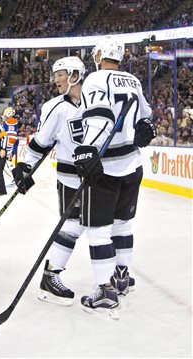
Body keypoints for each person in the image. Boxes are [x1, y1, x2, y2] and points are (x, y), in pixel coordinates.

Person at [72, 35, 155, 319]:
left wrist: (87, 149)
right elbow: (146, 118)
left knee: (99, 230)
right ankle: (122, 277)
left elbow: (100, 115)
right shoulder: (133, 80)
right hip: (132, 164)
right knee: (123, 225)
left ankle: (105, 291)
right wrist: (145, 127)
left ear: (99, 56)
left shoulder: (95, 80)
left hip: (104, 166)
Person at [12, 56, 86, 306]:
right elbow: (40, 142)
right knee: (72, 227)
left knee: (106, 226)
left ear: (75, 75)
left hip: (98, 176)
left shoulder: (95, 102)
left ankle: (113, 275)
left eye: (60, 74)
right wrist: (25, 167)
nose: (55, 79)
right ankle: (51, 275)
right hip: (70, 177)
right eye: (54, 74)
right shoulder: (55, 106)